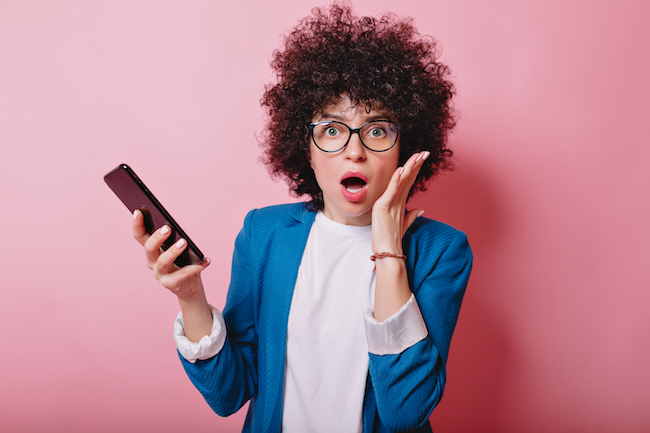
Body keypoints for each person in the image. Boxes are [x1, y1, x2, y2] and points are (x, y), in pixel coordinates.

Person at [131, 4, 472, 432]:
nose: (354, 150)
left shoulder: (442, 250)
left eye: (378, 129)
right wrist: (191, 297)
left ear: (406, 146)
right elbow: (229, 394)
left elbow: (407, 411)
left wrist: (388, 252)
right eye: (331, 130)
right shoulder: (264, 234)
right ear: (305, 149)